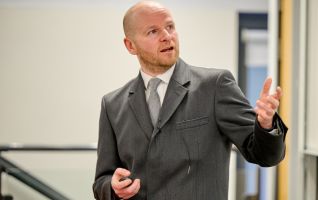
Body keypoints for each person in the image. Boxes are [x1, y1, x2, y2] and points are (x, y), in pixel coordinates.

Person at [93, 1, 288, 199]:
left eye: (170, 27)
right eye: (153, 31)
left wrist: (266, 125)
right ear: (130, 45)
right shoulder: (112, 105)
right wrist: (112, 187)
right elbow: (101, 182)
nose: (167, 36)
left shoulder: (215, 86)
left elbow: (264, 155)